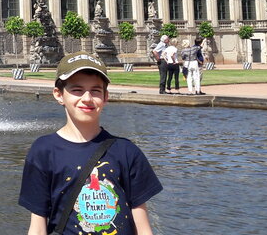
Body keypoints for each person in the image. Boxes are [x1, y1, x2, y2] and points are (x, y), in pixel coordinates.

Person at [20, 53, 162, 235]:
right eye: (77, 90)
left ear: (105, 96)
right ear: (59, 94)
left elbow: (142, 227)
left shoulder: (126, 151)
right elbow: (38, 225)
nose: (87, 98)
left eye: (95, 90)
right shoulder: (44, 151)